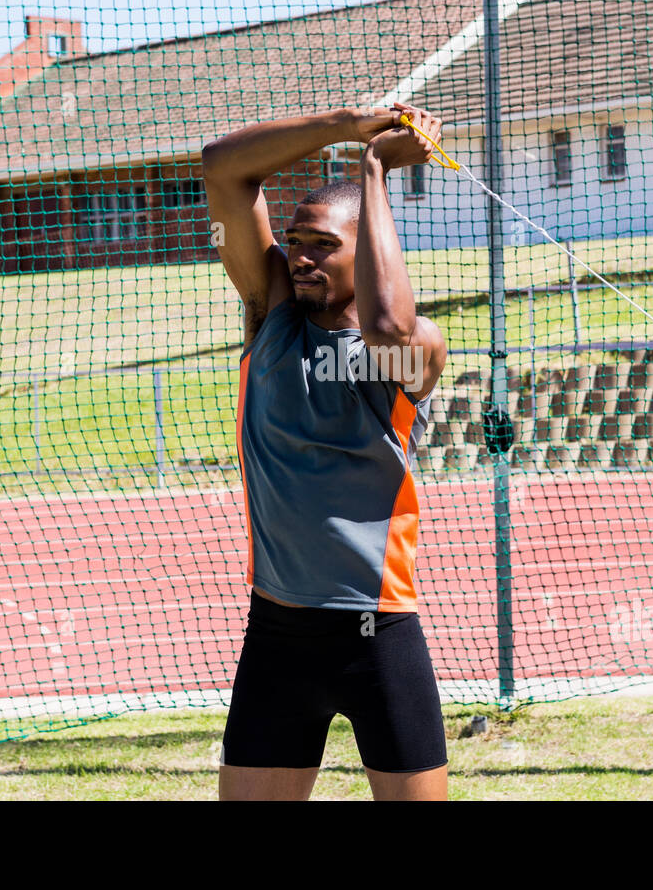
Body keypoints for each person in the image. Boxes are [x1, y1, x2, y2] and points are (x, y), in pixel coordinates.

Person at [201, 102, 449, 801]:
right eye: (294, 239)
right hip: (277, 636)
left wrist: (373, 171)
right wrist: (350, 126)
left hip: (380, 640)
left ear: (366, 245)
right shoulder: (271, 311)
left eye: (321, 244)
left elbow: (385, 324)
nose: (300, 256)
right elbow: (221, 165)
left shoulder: (417, 347)